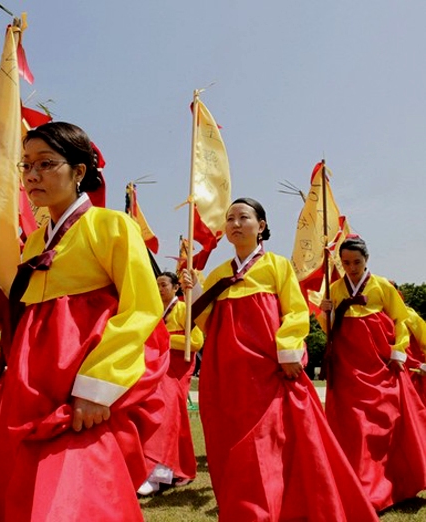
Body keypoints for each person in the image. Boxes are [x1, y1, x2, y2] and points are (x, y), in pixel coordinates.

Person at [0, 122, 169, 521]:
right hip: (33, 383)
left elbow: (141, 308)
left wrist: (97, 385)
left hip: (81, 384)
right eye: (26, 166)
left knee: (79, 492)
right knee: (28, 484)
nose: (32, 175)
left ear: (78, 172)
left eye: (45, 163)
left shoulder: (112, 225)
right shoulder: (36, 242)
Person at [182, 198, 378, 521]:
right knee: (232, 449)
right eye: (229, 218)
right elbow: (205, 324)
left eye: (243, 217)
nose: (234, 223)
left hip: (268, 375)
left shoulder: (276, 265)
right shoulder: (218, 274)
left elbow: (296, 312)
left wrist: (288, 350)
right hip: (228, 379)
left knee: (266, 446)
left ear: (260, 226)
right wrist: (194, 291)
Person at [320, 237, 426, 510]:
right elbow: (330, 332)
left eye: (356, 262)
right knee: (355, 429)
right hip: (348, 370)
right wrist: (325, 314)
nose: (351, 267)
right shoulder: (333, 289)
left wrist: (398, 350)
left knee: (386, 425)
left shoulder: (382, 287)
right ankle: (362, 488)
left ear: (367, 259)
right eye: (345, 263)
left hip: (380, 366)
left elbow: (400, 319)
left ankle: (394, 486)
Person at [138, 271, 203, 496]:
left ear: (176, 287)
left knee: (169, 414)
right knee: (168, 417)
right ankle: (178, 468)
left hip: (177, 369)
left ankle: (160, 471)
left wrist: (163, 339)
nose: (159, 289)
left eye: (164, 284)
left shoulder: (185, 310)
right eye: (156, 285)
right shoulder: (154, 311)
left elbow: (195, 341)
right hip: (155, 366)